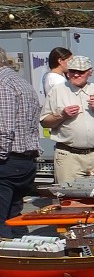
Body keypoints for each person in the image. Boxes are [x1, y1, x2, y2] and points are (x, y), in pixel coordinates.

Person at [39, 55, 94, 185]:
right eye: (72, 71)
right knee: (69, 198)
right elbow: (44, 122)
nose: (76, 75)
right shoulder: (57, 92)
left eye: (81, 72)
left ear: (90, 72)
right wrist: (62, 115)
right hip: (69, 157)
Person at [0, 48, 40, 238]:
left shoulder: (3, 84)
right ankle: (22, 256)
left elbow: (4, 129)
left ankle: (10, 260)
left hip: (8, 160)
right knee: (14, 216)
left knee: (3, 219)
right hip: (24, 160)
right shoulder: (20, 81)